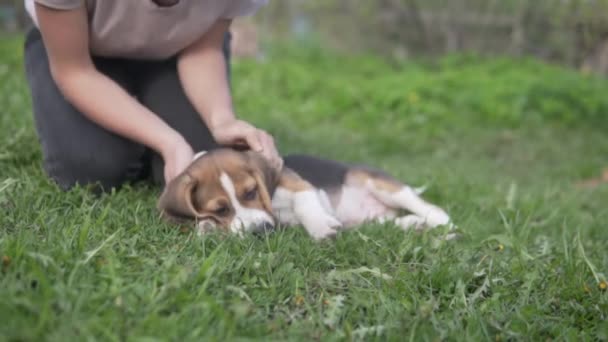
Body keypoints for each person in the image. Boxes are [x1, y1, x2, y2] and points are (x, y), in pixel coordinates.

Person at [22, 0, 282, 193]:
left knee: (202, 157)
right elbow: (75, 72)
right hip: (82, 50)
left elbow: (201, 50)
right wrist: (167, 141)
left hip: (176, 51)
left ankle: (147, 119)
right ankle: (136, 136)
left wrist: (221, 120)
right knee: (91, 170)